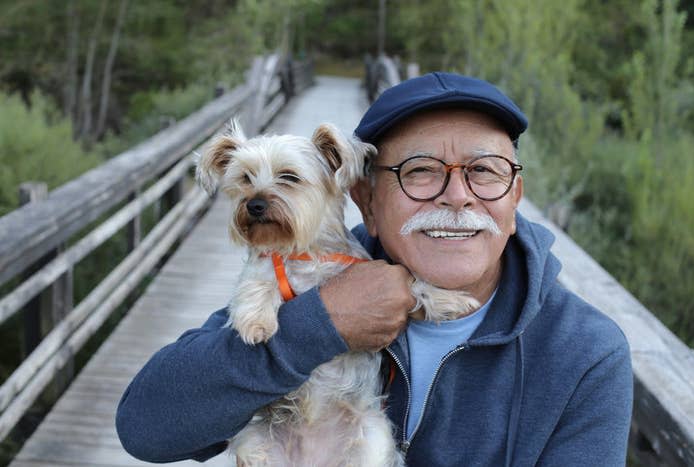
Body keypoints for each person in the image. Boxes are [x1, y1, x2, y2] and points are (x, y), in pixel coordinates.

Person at [116, 72, 633, 466]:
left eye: (484, 171)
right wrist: (320, 325)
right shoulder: (302, 278)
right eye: (421, 172)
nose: (458, 195)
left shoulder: (585, 352)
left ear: (515, 195)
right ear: (364, 198)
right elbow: (145, 426)